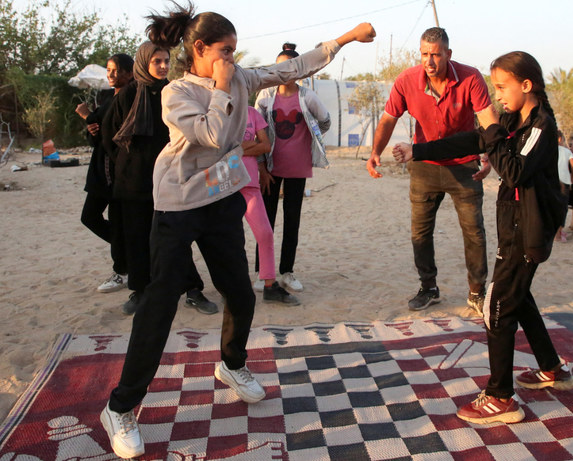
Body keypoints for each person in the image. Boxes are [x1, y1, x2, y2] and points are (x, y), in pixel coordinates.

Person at [98, 1, 375, 456]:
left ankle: (231, 364)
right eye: (226, 51)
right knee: (160, 303)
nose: (233, 59)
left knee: (240, 292)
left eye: (236, 51)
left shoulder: (242, 77)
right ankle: (121, 407)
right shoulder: (176, 93)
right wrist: (224, 88)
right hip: (179, 204)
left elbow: (294, 66)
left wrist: (344, 39)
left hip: (222, 198)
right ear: (201, 49)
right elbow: (215, 135)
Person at [393, 51, 573, 425]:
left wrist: (492, 132)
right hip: (513, 228)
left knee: (497, 305)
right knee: (519, 297)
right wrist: (419, 150)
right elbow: (471, 142)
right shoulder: (512, 120)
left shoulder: (540, 127)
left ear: (527, 86)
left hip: (528, 233)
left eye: (502, 88)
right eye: (494, 89)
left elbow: (512, 171)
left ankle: (500, 397)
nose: (497, 97)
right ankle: (552, 369)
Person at [366, 27, 497, 315]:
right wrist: (375, 151)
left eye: (436, 54)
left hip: (465, 166)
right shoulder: (406, 81)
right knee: (421, 233)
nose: (429, 61)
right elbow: (388, 119)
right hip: (424, 167)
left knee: (474, 232)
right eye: (424, 54)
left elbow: (488, 121)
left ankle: (477, 291)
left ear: (448, 54)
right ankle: (428, 287)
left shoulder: (470, 77)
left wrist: (489, 155)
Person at [103, 41, 217, 316]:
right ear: (144, 62)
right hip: (134, 182)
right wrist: (132, 163)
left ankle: (193, 289)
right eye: (157, 61)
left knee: (177, 237)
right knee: (138, 239)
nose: (163, 66)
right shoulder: (128, 95)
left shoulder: (174, 92)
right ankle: (140, 291)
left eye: (166, 61)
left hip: (170, 178)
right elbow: (109, 137)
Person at [254, 42, 331, 293]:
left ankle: (287, 272)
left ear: (298, 69)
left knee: (292, 221)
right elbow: (257, 132)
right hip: (270, 169)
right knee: (265, 222)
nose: (283, 71)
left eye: (289, 66)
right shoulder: (265, 96)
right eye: (279, 66)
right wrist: (262, 168)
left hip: (298, 168)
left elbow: (325, 120)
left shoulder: (307, 96)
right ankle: (262, 272)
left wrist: (311, 138)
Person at [75, 54, 134, 293]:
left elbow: (115, 133)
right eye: (109, 70)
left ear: (130, 73)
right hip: (100, 168)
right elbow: (96, 134)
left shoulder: (131, 99)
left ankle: (122, 267)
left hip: (118, 171)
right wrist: (90, 125)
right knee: (90, 217)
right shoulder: (108, 96)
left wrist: (87, 115)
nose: (110, 75)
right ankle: (129, 253)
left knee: (118, 222)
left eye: (115, 70)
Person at [241, 105, 299, 305]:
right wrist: (249, 145)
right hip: (226, 185)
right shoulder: (219, 111)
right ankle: (232, 286)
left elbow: (265, 145)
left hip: (250, 184)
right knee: (230, 237)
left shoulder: (252, 113)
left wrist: (239, 148)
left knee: (265, 233)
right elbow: (218, 147)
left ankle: (269, 285)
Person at [555, 130, 573, 243]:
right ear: (560, 139)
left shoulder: (546, 151)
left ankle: (552, 233)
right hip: (564, 181)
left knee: (552, 207)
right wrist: (572, 176)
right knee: (562, 207)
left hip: (550, 182)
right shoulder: (565, 151)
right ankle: (558, 234)